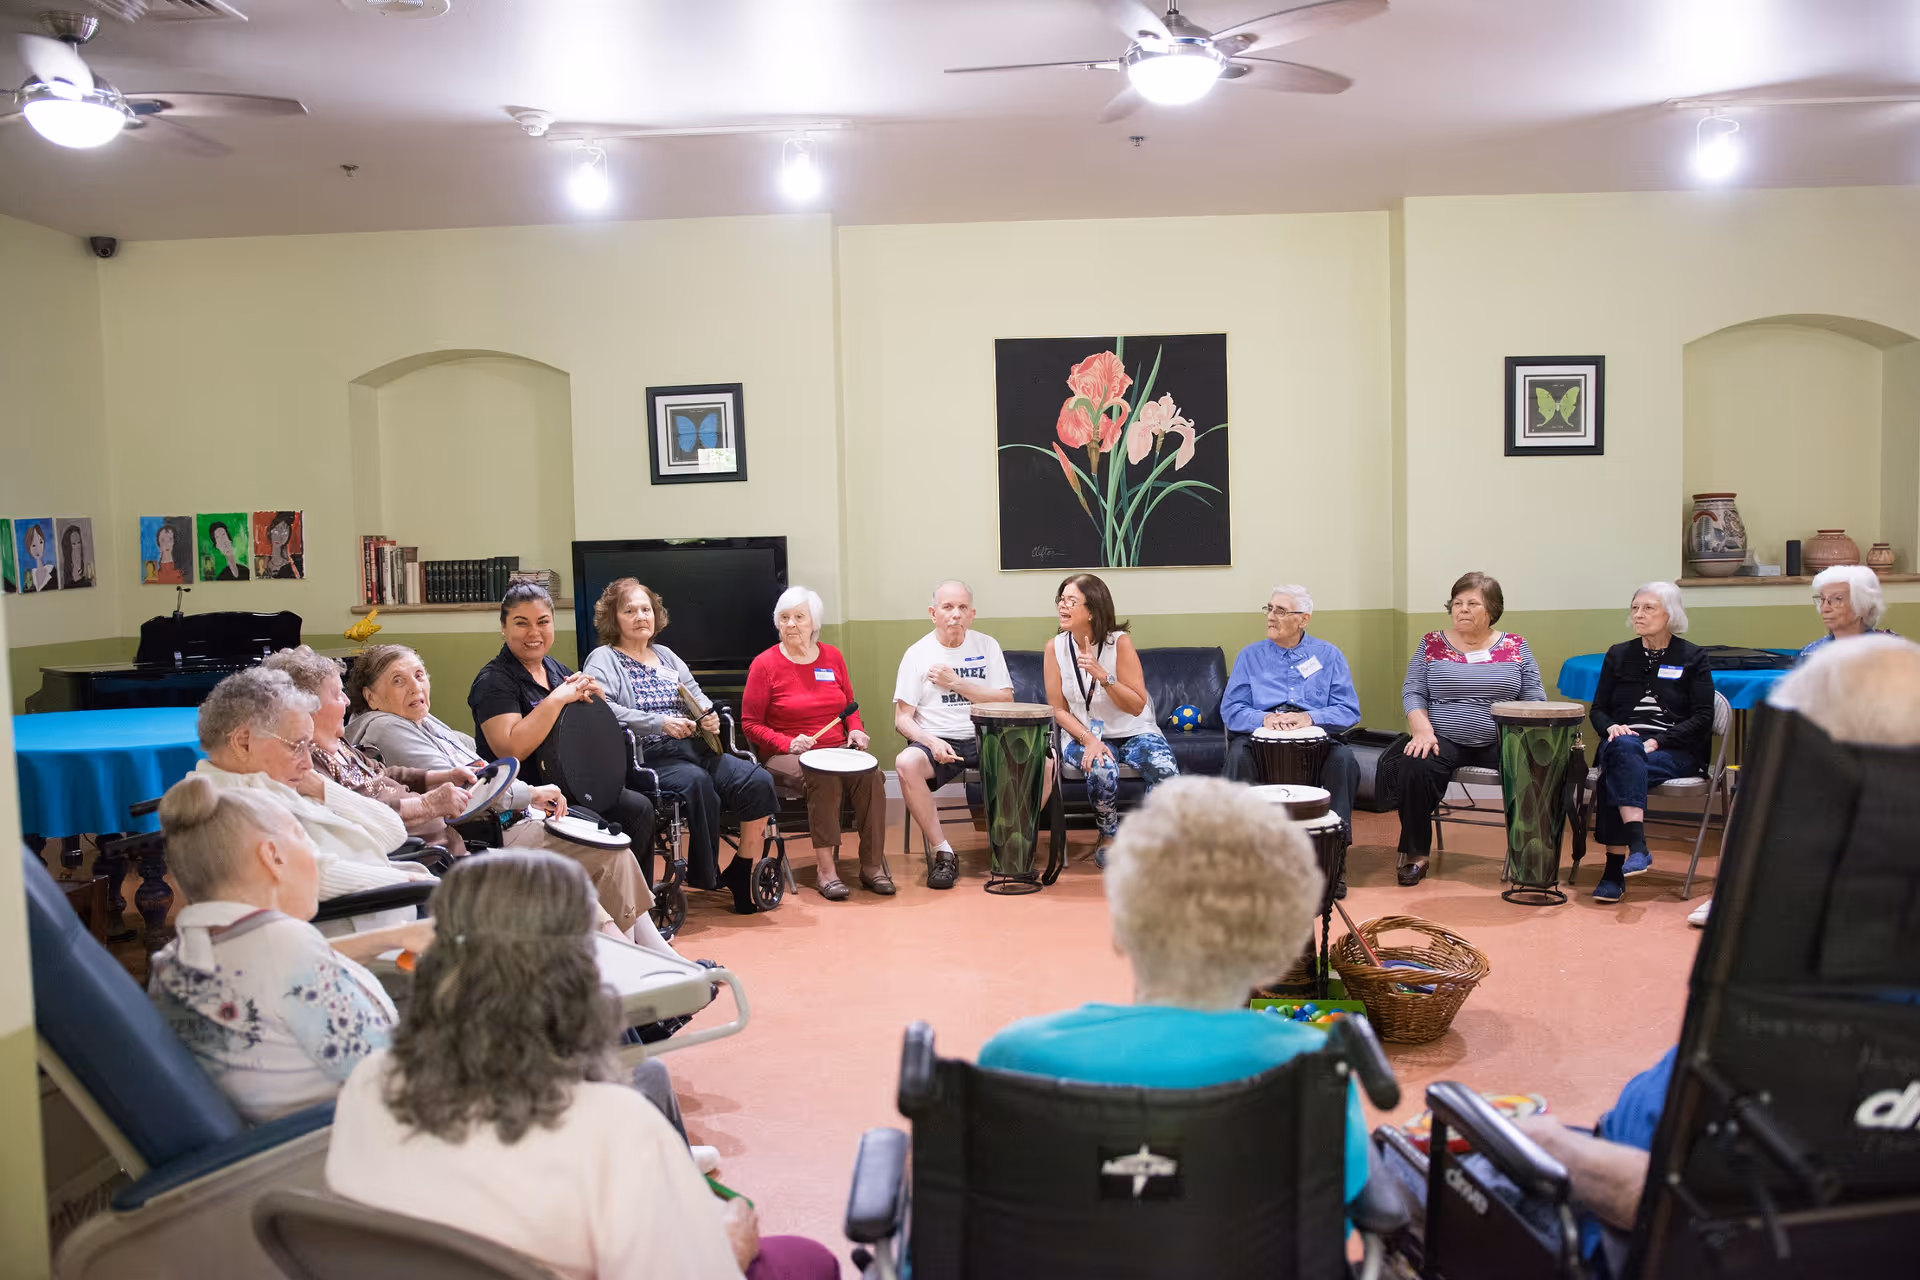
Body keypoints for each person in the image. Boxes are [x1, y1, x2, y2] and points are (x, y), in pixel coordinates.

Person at [1506, 635, 1920, 1272]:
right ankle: (1627, 851)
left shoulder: (1792, 1000)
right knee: (1621, 754)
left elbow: (1669, 1199)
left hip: (1647, 1231)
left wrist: (1545, 1146)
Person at [326, 852, 840, 1280]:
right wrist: (729, 1244)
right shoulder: (614, 1125)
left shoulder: (369, 1084)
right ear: (576, 972)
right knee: (811, 1259)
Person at [981, 777, 1369, 1209]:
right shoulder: (1315, 1069)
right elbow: (1338, 1209)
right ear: (1278, 950)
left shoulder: (1016, 1057)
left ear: (1122, 930)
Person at [146, 774, 429, 1122]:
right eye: (306, 841)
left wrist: (391, 938)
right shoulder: (288, 953)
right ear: (273, 857)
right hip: (347, 1145)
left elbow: (276, 973)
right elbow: (402, 1085)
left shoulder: (179, 956)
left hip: (274, 1146)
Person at [345, 642, 663, 946]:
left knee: (612, 848)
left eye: (418, 675)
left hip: (502, 819)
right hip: (481, 832)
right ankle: (644, 959)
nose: (416, 687)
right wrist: (531, 793)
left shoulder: (421, 720)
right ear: (370, 696)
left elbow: (480, 764)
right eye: (398, 681)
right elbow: (472, 786)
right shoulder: (385, 726)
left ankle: (651, 955)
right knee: (605, 851)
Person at [583, 579, 778, 915]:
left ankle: (742, 868)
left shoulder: (667, 656)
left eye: (646, 609)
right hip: (649, 757)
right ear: (614, 619)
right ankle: (707, 874)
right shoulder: (604, 659)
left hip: (695, 748)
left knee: (758, 781)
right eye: (629, 610)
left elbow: (695, 694)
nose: (640, 616)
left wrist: (708, 715)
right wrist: (659, 723)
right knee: (695, 782)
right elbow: (603, 709)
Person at [192, 667, 433, 932]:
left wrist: (324, 788)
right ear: (244, 742)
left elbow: (392, 832)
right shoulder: (234, 804)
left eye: (309, 747)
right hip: (373, 923)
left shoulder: (270, 783)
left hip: (395, 904)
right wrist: (414, 883)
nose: (308, 762)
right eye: (297, 746)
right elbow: (316, 876)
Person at [469, 583, 657, 858]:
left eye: (543, 622)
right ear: (504, 627)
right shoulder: (493, 682)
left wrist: (599, 699)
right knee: (596, 826)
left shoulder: (556, 670)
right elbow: (510, 750)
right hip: (530, 796)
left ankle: (637, 902)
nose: (534, 633)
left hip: (575, 784)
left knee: (639, 808)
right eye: (522, 624)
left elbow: (589, 731)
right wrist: (556, 699)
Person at [1395, 571, 1545, 886]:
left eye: (1472, 603)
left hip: (1501, 737)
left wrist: (1523, 736)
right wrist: (1422, 729)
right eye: (1457, 602)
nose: (1461, 609)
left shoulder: (1516, 645)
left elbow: (1534, 697)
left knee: (1535, 767)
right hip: (1443, 737)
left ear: (1491, 610)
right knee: (1412, 764)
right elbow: (1413, 691)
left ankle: (1527, 857)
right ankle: (1416, 854)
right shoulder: (1432, 643)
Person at [741, 586, 890, 900]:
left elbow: (849, 706)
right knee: (823, 778)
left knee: (873, 776)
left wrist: (855, 730)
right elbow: (750, 724)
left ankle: (872, 866)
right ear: (776, 622)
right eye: (784, 617)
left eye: (799, 617)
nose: (791, 624)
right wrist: (786, 742)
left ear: (814, 623)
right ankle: (826, 870)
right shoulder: (764, 664)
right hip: (788, 754)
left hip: (836, 750)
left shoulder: (832, 656)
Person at [263, 646, 477, 852]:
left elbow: (382, 771)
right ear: (307, 707)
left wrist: (445, 775)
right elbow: (360, 815)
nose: (347, 702)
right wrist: (429, 804)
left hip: (445, 845)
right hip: (425, 858)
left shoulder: (339, 745)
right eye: (337, 695)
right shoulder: (306, 764)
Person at [1585, 583, 1714, 904]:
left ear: (1670, 614)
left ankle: (1614, 870)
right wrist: (1612, 726)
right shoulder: (1618, 654)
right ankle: (1638, 846)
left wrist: (1658, 741)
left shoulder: (1693, 656)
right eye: (1635, 608)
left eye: (1648, 608)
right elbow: (1598, 709)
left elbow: (1703, 717)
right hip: (1623, 743)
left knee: (1617, 767)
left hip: (1674, 751)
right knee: (1624, 749)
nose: (1638, 615)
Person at [1043, 572, 1178, 865]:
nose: (1062, 607)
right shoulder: (1054, 648)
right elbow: (1058, 709)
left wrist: (1103, 676)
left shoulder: (1120, 643)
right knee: (1102, 767)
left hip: (1133, 729)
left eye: (1071, 601)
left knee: (1165, 771)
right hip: (1083, 734)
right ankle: (1107, 835)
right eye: (1060, 600)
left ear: (1091, 610)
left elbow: (1136, 705)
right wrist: (1089, 739)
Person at [892, 579, 1015, 890]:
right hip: (939, 737)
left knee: (1047, 762)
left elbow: (1006, 700)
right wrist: (931, 742)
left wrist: (957, 683)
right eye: (947, 607)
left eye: (962, 608)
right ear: (934, 613)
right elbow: (902, 719)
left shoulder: (987, 645)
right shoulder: (917, 653)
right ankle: (943, 852)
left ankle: (1008, 843)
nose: (955, 614)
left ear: (972, 614)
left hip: (986, 733)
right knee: (905, 762)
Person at [1222, 583, 1362, 842]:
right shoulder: (1249, 656)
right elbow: (1231, 709)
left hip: (1316, 739)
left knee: (1343, 760)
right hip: (1260, 737)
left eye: (1281, 611)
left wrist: (1309, 717)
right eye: (1270, 608)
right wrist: (1264, 718)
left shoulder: (1329, 656)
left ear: (1303, 620)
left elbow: (1349, 710)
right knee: (1238, 757)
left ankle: (1336, 849)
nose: (1271, 616)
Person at [1797, 564, 1897, 662]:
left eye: (1837, 599)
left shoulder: (1890, 650)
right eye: (1823, 599)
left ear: (1863, 605)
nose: (1825, 608)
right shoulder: (1810, 654)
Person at [260, 511, 302, 579]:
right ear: (270, 532)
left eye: (285, 530)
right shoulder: (261, 563)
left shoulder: (292, 566)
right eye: (276, 529)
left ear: (288, 535)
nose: (279, 535)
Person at [145, 519, 187, 585]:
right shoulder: (153, 571)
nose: (167, 543)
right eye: (163, 540)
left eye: (170, 539)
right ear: (158, 543)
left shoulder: (180, 571)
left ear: (174, 542)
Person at [22, 522, 55, 592]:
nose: (38, 549)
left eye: (41, 542)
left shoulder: (53, 571)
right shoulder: (29, 576)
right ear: (29, 548)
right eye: (33, 545)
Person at [59, 524, 91, 589]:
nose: (77, 546)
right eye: (73, 544)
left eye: (79, 542)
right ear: (68, 546)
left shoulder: (85, 567)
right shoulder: (68, 572)